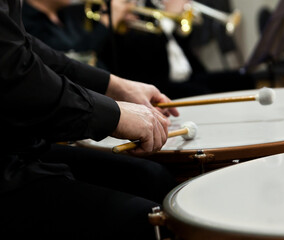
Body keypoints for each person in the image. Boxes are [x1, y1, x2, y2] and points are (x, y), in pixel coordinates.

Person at [0, 0, 180, 239]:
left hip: (18, 144)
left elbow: (25, 49)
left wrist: (114, 85)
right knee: (144, 220)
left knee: (153, 177)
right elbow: (14, 77)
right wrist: (113, 115)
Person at [22, 0, 256, 100]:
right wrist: (108, 25)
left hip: (112, 85)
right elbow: (72, 56)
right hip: (92, 90)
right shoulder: (26, 22)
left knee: (243, 78)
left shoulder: (70, 16)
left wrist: (170, 20)